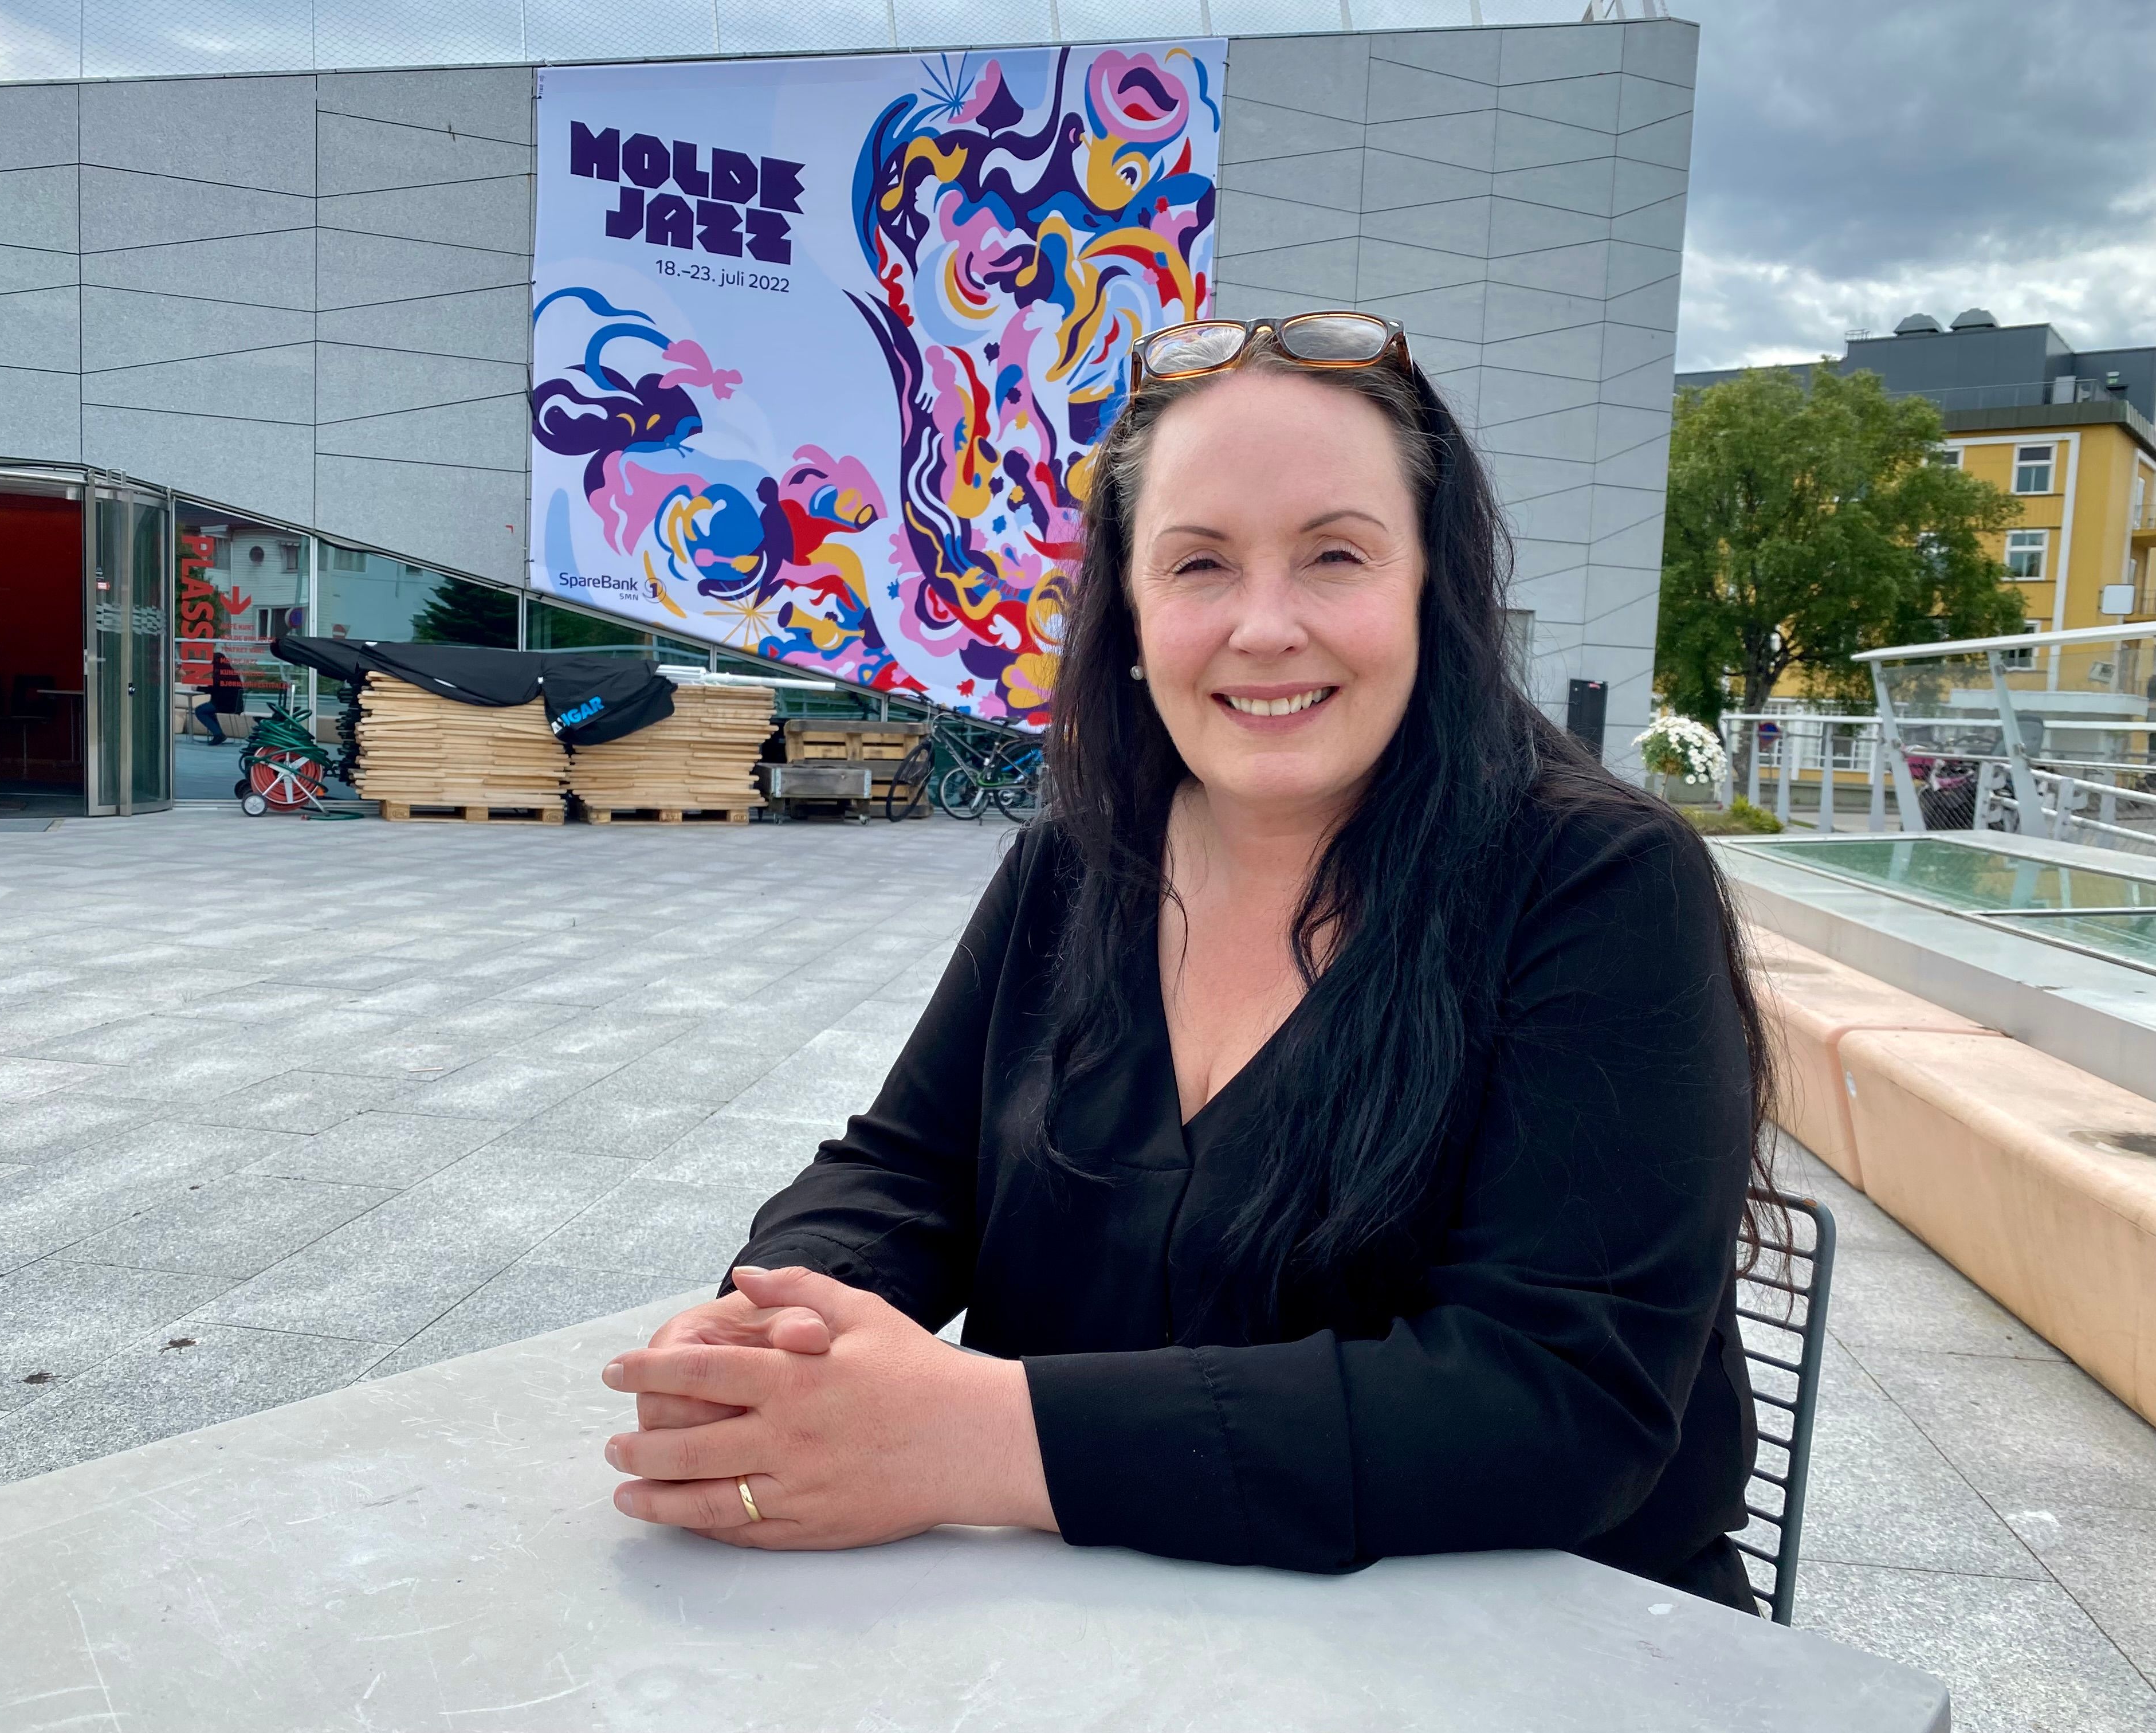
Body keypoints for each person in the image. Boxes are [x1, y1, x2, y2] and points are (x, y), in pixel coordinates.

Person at [599, 312, 1776, 1611]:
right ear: (1132, 608)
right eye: (1200, 563)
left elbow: (1559, 1395)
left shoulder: (1599, 885)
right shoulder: (1075, 864)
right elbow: (910, 1165)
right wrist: (781, 1321)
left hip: (1518, 1649)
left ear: (1431, 588)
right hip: (1095, 1622)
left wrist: (979, 1437)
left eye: (1334, 554)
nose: (1263, 626)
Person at [193, 651, 244, 745]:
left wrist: (197, 688)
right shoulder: (232, 673)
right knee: (208, 712)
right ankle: (218, 734)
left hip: (223, 705)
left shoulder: (220, 675)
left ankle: (218, 734)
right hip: (234, 705)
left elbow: (213, 689)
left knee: (200, 711)